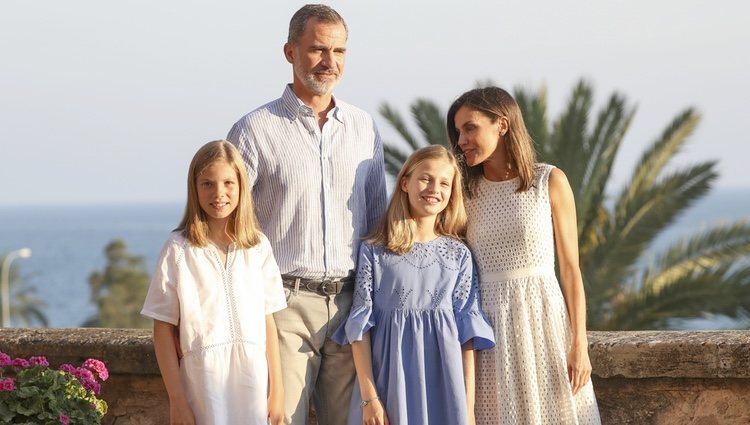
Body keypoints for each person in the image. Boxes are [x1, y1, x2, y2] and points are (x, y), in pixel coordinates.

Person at [226, 4, 388, 425]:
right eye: (317, 49)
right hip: (283, 304)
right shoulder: (253, 130)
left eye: (339, 51)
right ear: (290, 51)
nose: (329, 62)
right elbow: (229, 225)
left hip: (352, 307)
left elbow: (378, 223)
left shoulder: (364, 128)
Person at [447, 87, 602, 424]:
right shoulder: (463, 192)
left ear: (502, 125)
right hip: (489, 329)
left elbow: (571, 269)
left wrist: (579, 342)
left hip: (544, 321)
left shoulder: (549, 181)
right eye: (458, 132)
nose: (461, 140)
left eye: (470, 128)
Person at [332, 145, 496, 425]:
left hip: (444, 387)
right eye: (426, 178)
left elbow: (467, 337)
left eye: (444, 183)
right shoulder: (374, 251)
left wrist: (467, 409)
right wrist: (369, 397)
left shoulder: (459, 255)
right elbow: (360, 328)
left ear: (452, 192)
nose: (434, 188)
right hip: (388, 383)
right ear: (405, 182)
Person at [141, 140, 286, 425]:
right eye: (207, 184)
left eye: (228, 183)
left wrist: (278, 392)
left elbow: (268, 321)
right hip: (203, 385)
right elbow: (162, 329)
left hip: (254, 383)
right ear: (194, 188)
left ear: (242, 186)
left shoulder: (257, 247)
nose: (219, 193)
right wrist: (178, 402)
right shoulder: (178, 249)